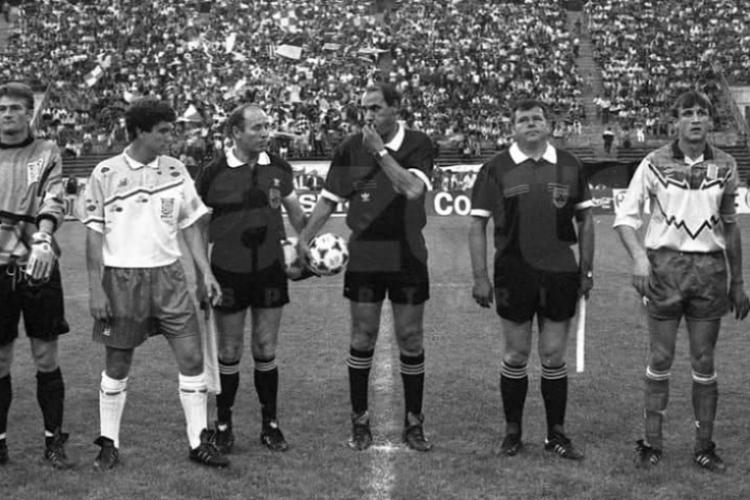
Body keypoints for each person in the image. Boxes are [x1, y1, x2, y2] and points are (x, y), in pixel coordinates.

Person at [83, 98, 229, 470]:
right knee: (118, 364)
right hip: (121, 279)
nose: (170, 137)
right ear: (139, 131)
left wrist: (205, 273)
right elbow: (94, 235)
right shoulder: (105, 172)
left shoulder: (176, 169)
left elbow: (191, 226)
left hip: (170, 278)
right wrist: (95, 287)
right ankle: (108, 442)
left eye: (171, 130)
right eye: (163, 131)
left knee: (192, 358)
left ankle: (198, 442)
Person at [614, 91, 750, 472]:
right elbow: (625, 218)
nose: (695, 119)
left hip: (710, 272)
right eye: (687, 113)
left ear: (711, 121)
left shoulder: (725, 165)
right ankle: (651, 443)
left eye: (701, 113)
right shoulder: (653, 163)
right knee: (660, 357)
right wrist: (639, 258)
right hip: (665, 269)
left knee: (704, 360)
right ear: (675, 122)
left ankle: (704, 446)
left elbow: (730, 226)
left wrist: (737, 282)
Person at [297, 82, 435, 452]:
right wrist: (303, 241)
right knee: (362, 337)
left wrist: (381, 153)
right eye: (364, 109)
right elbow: (328, 201)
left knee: (411, 338)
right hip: (365, 254)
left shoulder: (418, 143)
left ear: (395, 108)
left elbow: (412, 189)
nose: (368, 115)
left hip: (408, 253)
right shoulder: (349, 147)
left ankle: (414, 423)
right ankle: (359, 422)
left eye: (376, 108)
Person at [469, 98, 594, 460]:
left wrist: (587, 270)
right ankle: (513, 433)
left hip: (560, 272)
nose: (531, 123)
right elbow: (476, 225)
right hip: (514, 272)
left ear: (548, 125)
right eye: (523, 119)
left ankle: (556, 434)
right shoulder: (495, 168)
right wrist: (480, 277)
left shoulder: (569, 165)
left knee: (553, 356)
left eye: (537, 118)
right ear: (512, 128)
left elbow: (586, 221)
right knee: (516, 354)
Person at [194, 104, 307, 454]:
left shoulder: (279, 167)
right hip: (227, 272)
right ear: (236, 132)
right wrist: (204, 274)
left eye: (266, 126)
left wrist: (307, 248)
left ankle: (270, 424)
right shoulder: (212, 173)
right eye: (257, 127)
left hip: (270, 270)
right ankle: (223, 424)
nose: (264, 133)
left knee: (265, 348)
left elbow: (296, 214)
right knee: (229, 350)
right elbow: (199, 229)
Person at [0, 82, 72, 468]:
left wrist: (43, 237)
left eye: (14, 108)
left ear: (30, 112)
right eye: (1, 109)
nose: (6, 114)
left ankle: (53, 440)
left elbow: (53, 197)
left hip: (38, 266)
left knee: (45, 355)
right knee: (0, 360)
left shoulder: (46, 151)